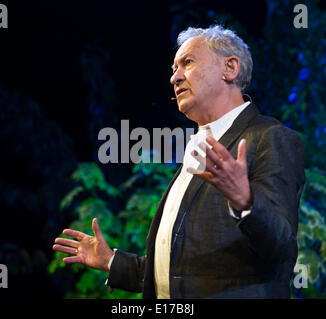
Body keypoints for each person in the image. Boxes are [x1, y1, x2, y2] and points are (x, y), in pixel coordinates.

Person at [52, 25, 306, 299]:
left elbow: (281, 250)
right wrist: (111, 261)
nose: (175, 77)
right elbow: (180, 270)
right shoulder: (196, 149)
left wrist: (247, 202)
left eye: (187, 62)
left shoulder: (271, 138)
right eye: (174, 69)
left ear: (230, 68)